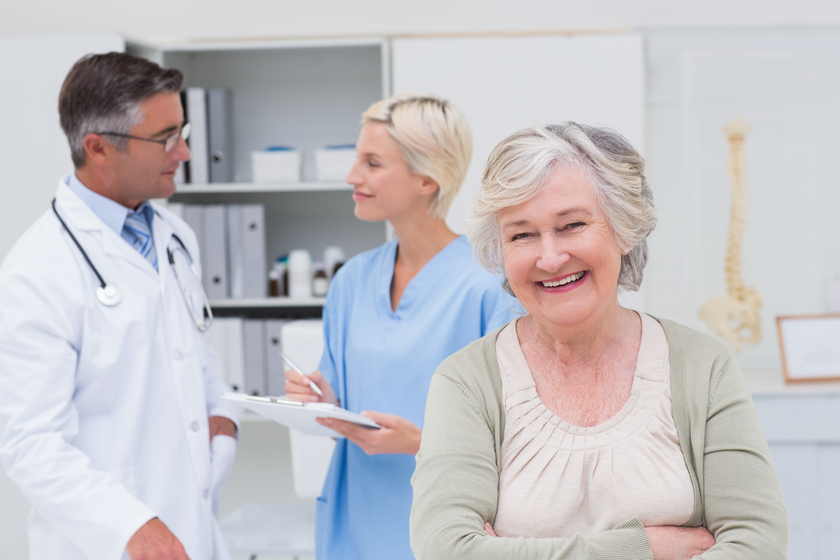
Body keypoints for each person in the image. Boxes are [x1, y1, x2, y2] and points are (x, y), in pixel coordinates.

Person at [410, 123, 789, 559]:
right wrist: (642, 548)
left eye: (571, 225)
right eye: (522, 234)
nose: (550, 257)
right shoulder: (466, 382)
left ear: (624, 228)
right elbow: (446, 550)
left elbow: (758, 543)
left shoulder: (703, 366)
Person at [0, 53, 238, 560]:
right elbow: (31, 443)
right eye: (166, 138)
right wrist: (129, 524)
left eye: (183, 130)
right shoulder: (37, 271)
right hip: (106, 544)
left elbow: (192, 355)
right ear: (98, 148)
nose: (187, 151)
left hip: (192, 530)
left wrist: (223, 414)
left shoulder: (176, 238)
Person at [284, 92, 515, 560]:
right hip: (354, 518)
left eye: (372, 163)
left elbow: (520, 438)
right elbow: (345, 393)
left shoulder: (491, 287)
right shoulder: (351, 280)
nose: (353, 176)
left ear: (427, 177)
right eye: (357, 160)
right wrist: (320, 398)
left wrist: (418, 443)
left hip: (444, 522)